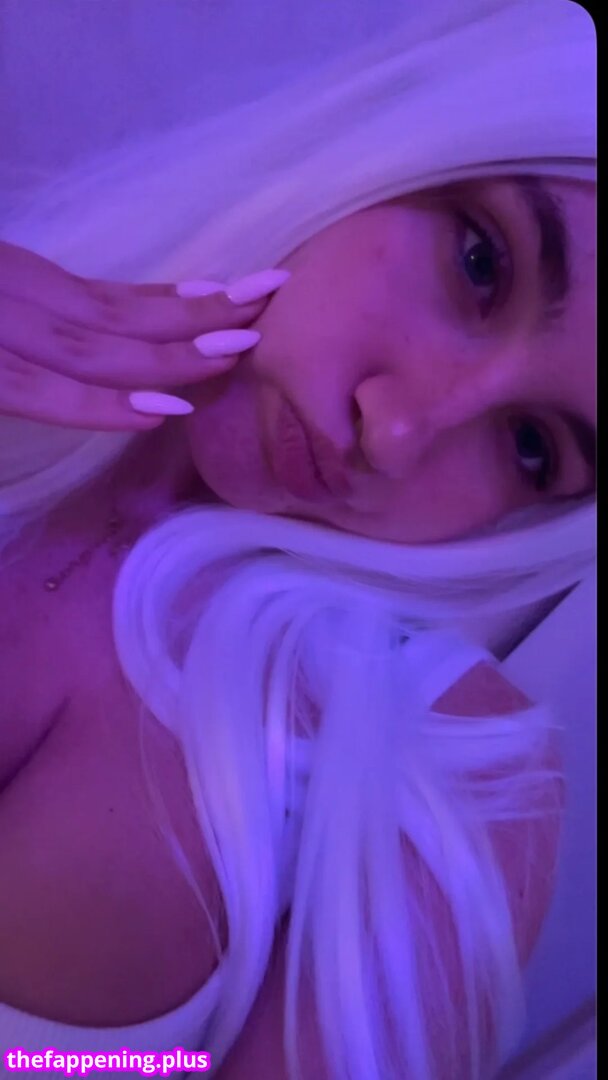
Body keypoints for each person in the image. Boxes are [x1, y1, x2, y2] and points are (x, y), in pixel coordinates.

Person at [0, 1, 596, 1077]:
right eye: (479, 263)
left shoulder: (438, 773)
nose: (399, 430)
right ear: (413, 137)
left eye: (530, 447)